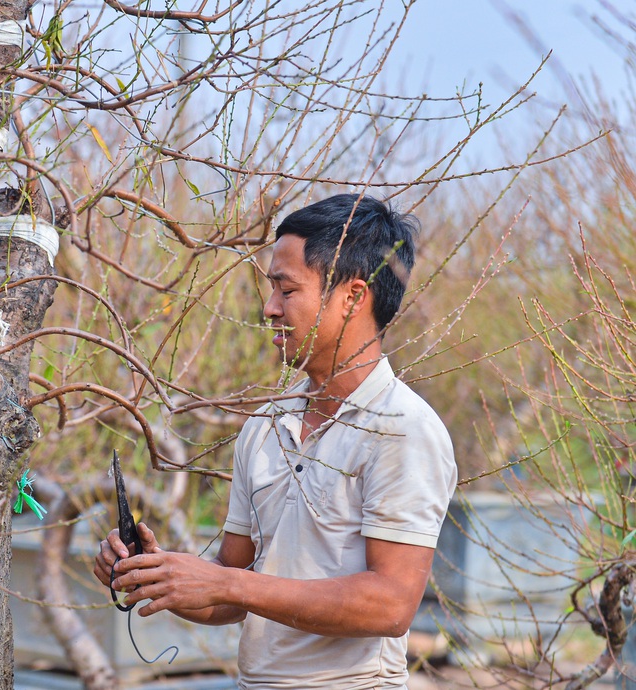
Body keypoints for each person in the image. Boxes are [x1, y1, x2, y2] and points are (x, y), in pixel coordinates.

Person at [93, 193, 458, 689]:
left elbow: (391, 605)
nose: (268, 309)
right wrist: (161, 576)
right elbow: (233, 590)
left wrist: (228, 582)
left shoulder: (402, 429)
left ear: (353, 297)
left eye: (286, 291)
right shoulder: (265, 426)